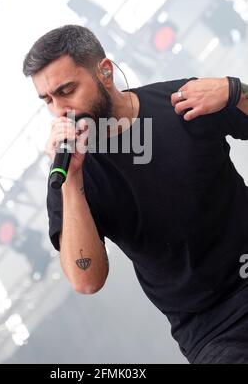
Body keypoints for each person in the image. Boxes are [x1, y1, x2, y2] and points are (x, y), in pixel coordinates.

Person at [23, 24, 248, 364]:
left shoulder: (179, 101)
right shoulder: (70, 175)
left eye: (67, 90)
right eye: (48, 100)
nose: (59, 109)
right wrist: (71, 184)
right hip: (214, 329)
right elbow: (87, 280)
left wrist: (236, 91)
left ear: (105, 72)